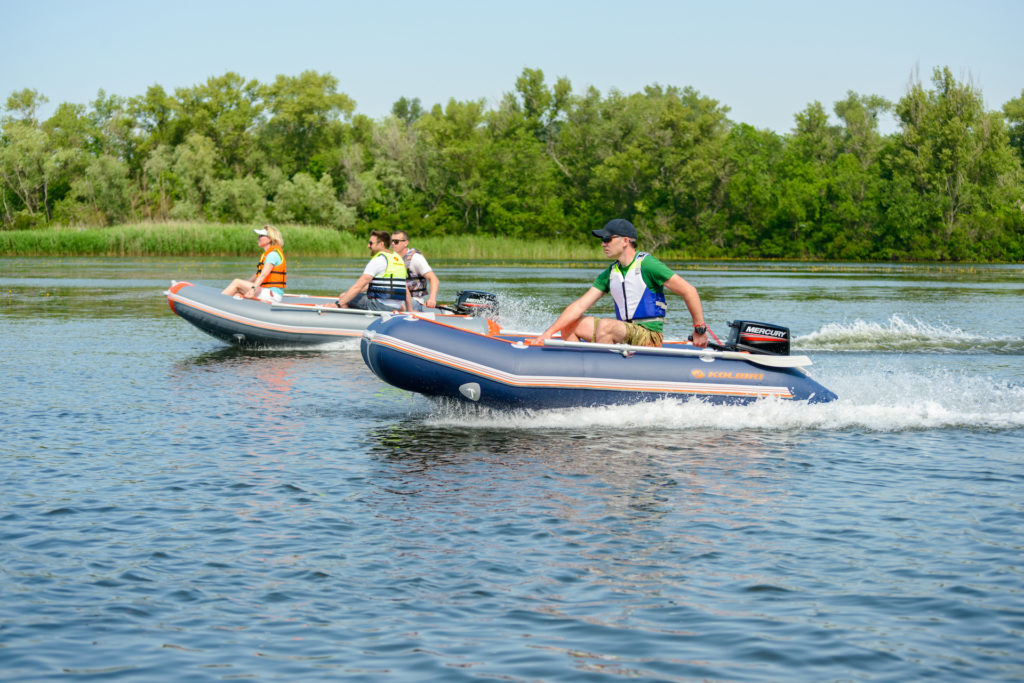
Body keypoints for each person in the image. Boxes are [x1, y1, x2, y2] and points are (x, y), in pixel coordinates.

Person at [536, 219, 709, 348]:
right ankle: (580, 370)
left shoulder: (648, 265)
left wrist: (699, 330)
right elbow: (580, 306)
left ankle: (603, 372)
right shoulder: (611, 273)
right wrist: (548, 333)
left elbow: (689, 291)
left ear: (625, 241)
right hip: (624, 332)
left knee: (606, 326)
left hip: (649, 335)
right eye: (602, 240)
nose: (603, 244)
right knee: (569, 324)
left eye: (607, 239)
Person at [334, 230, 411, 311]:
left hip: (379, 306)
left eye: (371, 243)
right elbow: (405, 288)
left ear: (381, 244)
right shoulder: (398, 260)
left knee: (343, 297)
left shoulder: (378, 260)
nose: (368, 245)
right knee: (349, 295)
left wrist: (338, 304)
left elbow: (358, 287)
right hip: (396, 307)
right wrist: (410, 311)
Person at [221, 225, 287, 303]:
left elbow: (264, 274)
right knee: (238, 290)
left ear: (270, 239)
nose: (258, 238)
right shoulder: (268, 254)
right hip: (266, 292)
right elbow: (258, 275)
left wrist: (252, 289)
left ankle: (218, 303)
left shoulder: (273, 254)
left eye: (261, 236)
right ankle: (225, 305)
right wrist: (246, 285)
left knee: (236, 282)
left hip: (271, 294)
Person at [390, 230, 440, 310]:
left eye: (396, 241)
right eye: (391, 241)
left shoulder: (415, 258)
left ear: (405, 243)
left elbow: (434, 279)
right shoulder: (392, 259)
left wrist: (432, 299)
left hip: (414, 301)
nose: (392, 244)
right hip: (397, 300)